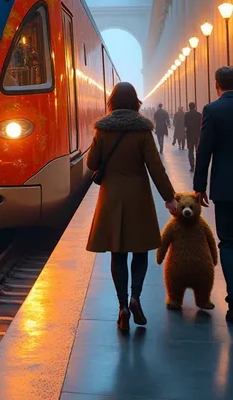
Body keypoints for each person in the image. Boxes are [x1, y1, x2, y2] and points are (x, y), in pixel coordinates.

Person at [86, 82, 177, 332]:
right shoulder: (143, 131)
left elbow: (91, 162)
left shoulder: (103, 130)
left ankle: (123, 307)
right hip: (138, 197)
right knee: (140, 251)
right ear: (135, 101)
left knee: (118, 253)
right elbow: (155, 168)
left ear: (112, 101)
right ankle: (136, 297)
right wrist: (169, 198)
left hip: (112, 198)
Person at [194, 66, 233, 324]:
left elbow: (204, 151)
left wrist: (199, 186)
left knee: (228, 244)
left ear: (216, 84)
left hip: (225, 188)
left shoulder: (212, 110)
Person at [184, 101, 201, 172]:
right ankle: (198, 166)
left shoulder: (186, 115)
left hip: (190, 136)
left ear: (189, 107)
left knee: (190, 151)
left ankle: (192, 166)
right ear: (195, 107)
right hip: (197, 136)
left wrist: (185, 133)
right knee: (198, 151)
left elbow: (185, 125)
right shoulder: (199, 114)